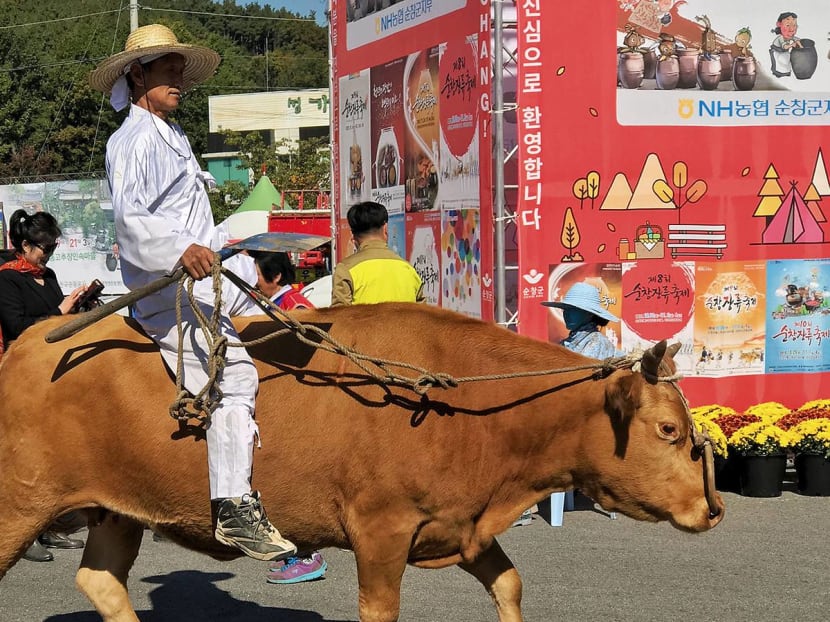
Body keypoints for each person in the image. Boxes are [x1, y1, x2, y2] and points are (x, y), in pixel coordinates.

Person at [88, 24, 295, 562]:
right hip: (163, 289)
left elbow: (189, 224)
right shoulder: (131, 139)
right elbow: (133, 222)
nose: (179, 77)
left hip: (196, 283)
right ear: (138, 75)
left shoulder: (174, 135)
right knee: (237, 376)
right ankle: (233, 507)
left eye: (180, 68)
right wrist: (180, 249)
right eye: (167, 68)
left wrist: (237, 239)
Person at [0, 209, 89, 562]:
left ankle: (49, 527)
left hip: (48, 375)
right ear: (24, 245)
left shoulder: (47, 276)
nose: (49, 254)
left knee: (48, 456)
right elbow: (18, 327)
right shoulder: (6, 279)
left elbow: (56, 316)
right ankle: (21, 533)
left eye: (53, 247)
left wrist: (77, 305)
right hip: (18, 376)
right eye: (44, 248)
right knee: (21, 456)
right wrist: (60, 311)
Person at [243, 251, 328, 584]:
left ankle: (309, 554)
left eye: (256, 274)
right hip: (279, 405)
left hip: (296, 410)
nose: (252, 280)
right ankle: (298, 552)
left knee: (299, 481)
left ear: (275, 276)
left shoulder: (296, 308)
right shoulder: (275, 303)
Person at [331, 201, 425, 306]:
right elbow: (423, 316)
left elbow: (339, 316)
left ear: (353, 235)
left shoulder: (346, 270)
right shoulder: (409, 270)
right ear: (385, 228)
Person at [542, 282, 620, 360]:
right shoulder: (567, 342)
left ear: (589, 314)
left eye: (573, 309)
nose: (566, 314)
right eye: (565, 309)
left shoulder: (596, 342)